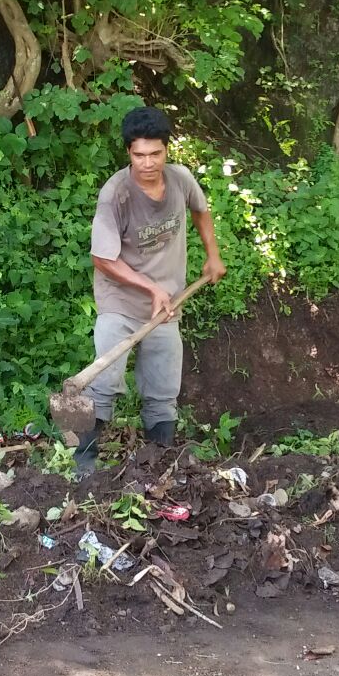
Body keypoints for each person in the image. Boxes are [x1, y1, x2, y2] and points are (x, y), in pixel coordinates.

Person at [76, 105, 226, 475]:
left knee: (162, 389)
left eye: (155, 154)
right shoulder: (115, 195)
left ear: (167, 150)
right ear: (128, 152)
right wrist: (150, 288)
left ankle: (159, 467)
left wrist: (213, 255)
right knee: (104, 381)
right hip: (121, 302)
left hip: (166, 306)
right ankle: (85, 465)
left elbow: (201, 211)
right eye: (139, 155)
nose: (147, 163)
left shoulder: (180, 180)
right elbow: (102, 259)